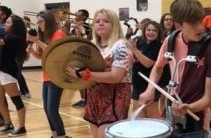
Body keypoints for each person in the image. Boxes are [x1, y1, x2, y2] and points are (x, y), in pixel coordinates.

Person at [139, 0, 211, 136]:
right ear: (178, 25)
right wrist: (150, 90)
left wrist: (188, 107)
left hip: (197, 114)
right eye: (192, 23)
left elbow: (208, 98)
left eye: (200, 21)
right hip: (171, 108)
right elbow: (158, 67)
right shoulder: (171, 40)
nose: (199, 27)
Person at [65, 9, 134, 138]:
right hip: (93, 101)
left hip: (113, 101)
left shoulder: (121, 46)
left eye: (106, 21)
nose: (100, 24)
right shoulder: (92, 46)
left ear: (114, 25)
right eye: (97, 21)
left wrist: (83, 74)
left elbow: (115, 77)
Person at [27, 10, 68, 138]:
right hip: (46, 76)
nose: (39, 24)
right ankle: (54, 135)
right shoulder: (45, 37)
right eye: (38, 22)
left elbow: (55, 51)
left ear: (48, 21)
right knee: (46, 109)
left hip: (56, 76)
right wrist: (31, 51)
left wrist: (37, 41)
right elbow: (42, 56)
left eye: (41, 21)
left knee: (52, 110)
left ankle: (62, 136)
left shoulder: (59, 33)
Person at [0, 14, 28, 136]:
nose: (5, 24)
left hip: (8, 70)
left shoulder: (16, 37)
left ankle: (22, 127)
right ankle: (8, 124)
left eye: (8, 23)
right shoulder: (6, 34)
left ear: (15, 26)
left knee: (16, 100)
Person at [128, 20, 163, 118]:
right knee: (138, 112)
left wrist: (134, 50)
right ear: (144, 30)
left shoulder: (158, 45)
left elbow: (148, 63)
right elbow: (135, 57)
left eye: (154, 31)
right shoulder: (140, 41)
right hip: (137, 82)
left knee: (152, 113)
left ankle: (159, 132)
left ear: (158, 33)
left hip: (149, 85)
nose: (150, 32)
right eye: (148, 30)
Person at [71, 9, 92, 108]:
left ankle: (88, 99)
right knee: (77, 78)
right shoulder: (75, 26)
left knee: (85, 78)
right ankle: (83, 99)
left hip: (86, 55)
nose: (75, 16)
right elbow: (72, 39)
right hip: (76, 54)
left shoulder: (88, 27)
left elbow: (87, 40)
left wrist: (81, 29)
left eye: (77, 15)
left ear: (84, 17)